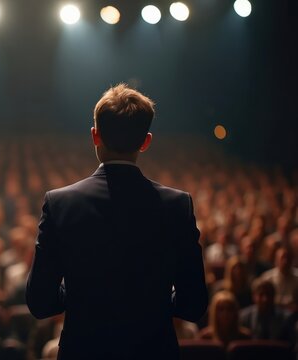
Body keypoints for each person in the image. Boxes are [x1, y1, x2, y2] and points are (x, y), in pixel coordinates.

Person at [26, 84, 208, 359]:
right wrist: (154, 300)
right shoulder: (177, 206)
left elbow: (41, 302)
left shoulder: (60, 203)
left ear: (95, 136)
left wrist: (77, 293)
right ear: (146, 141)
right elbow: (193, 305)